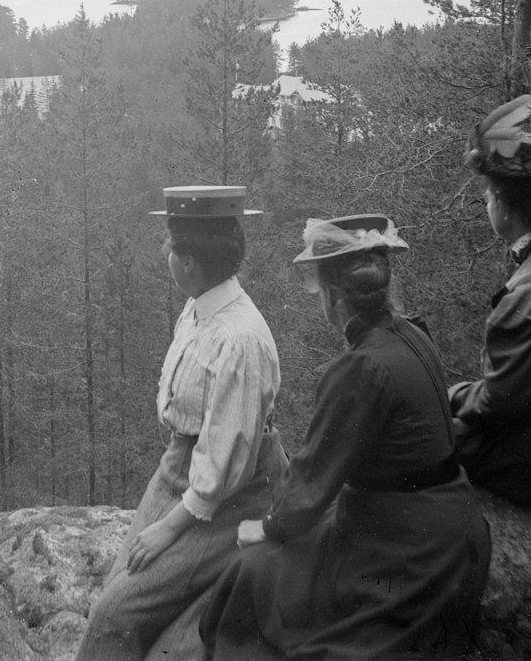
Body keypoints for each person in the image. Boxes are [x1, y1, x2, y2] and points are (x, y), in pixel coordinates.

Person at [200, 214, 490, 661]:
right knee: (260, 577)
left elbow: (310, 487)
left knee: (255, 575)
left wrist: (265, 526)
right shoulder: (411, 334)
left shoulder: (359, 370)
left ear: (334, 295)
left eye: (317, 288)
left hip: (408, 553)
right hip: (448, 529)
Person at [75, 185, 286, 661]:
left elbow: (225, 461)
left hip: (233, 491)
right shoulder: (200, 308)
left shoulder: (238, 339)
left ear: (189, 262)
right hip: (184, 467)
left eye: (170, 248)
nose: (165, 256)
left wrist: (169, 529)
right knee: (117, 591)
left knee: (116, 615)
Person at [450, 93, 531, 509]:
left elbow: (499, 403)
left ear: (505, 208)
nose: (485, 201)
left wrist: (455, 395)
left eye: (488, 194)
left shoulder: (530, 292)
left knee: (426, 433)